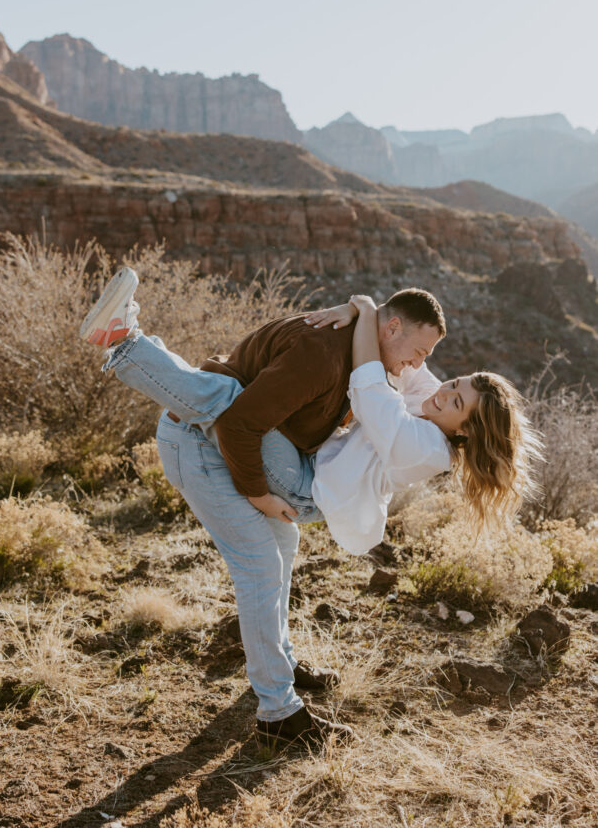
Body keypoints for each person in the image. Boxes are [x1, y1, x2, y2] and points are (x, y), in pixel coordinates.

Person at [80, 267, 536, 747]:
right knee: (267, 534)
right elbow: (414, 368)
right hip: (294, 470)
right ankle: (280, 674)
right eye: (455, 379)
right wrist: (364, 310)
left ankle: (126, 341)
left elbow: (370, 381)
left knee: (230, 406)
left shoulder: (425, 445)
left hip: (300, 484)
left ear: (465, 429)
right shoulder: (433, 403)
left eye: (457, 396)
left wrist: (361, 308)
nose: (440, 384)